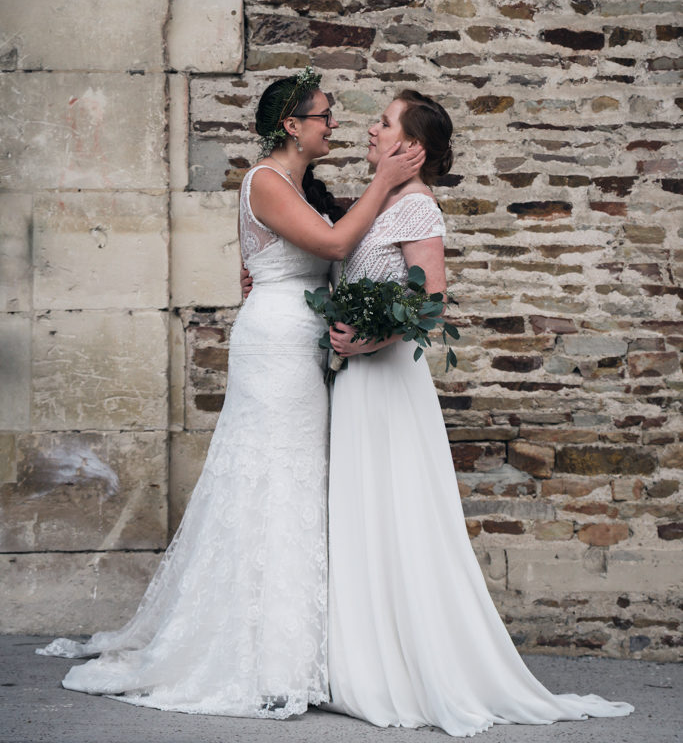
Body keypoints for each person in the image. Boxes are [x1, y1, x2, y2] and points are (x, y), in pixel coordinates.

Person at [37, 67, 424, 719]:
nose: (333, 124)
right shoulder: (264, 182)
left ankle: (304, 649)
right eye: (323, 115)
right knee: (269, 482)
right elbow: (332, 241)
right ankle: (262, 655)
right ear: (291, 126)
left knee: (298, 483)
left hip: (303, 344)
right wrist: (384, 182)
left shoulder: (302, 185)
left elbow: (332, 250)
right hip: (275, 347)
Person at [325, 89, 634, 736]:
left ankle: (408, 667)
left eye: (382, 124)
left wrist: (366, 339)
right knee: (363, 514)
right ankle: (362, 656)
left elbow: (430, 307)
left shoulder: (416, 209)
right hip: (359, 386)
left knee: (396, 515)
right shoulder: (382, 202)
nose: (369, 131)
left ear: (413, 149)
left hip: (385, 385)